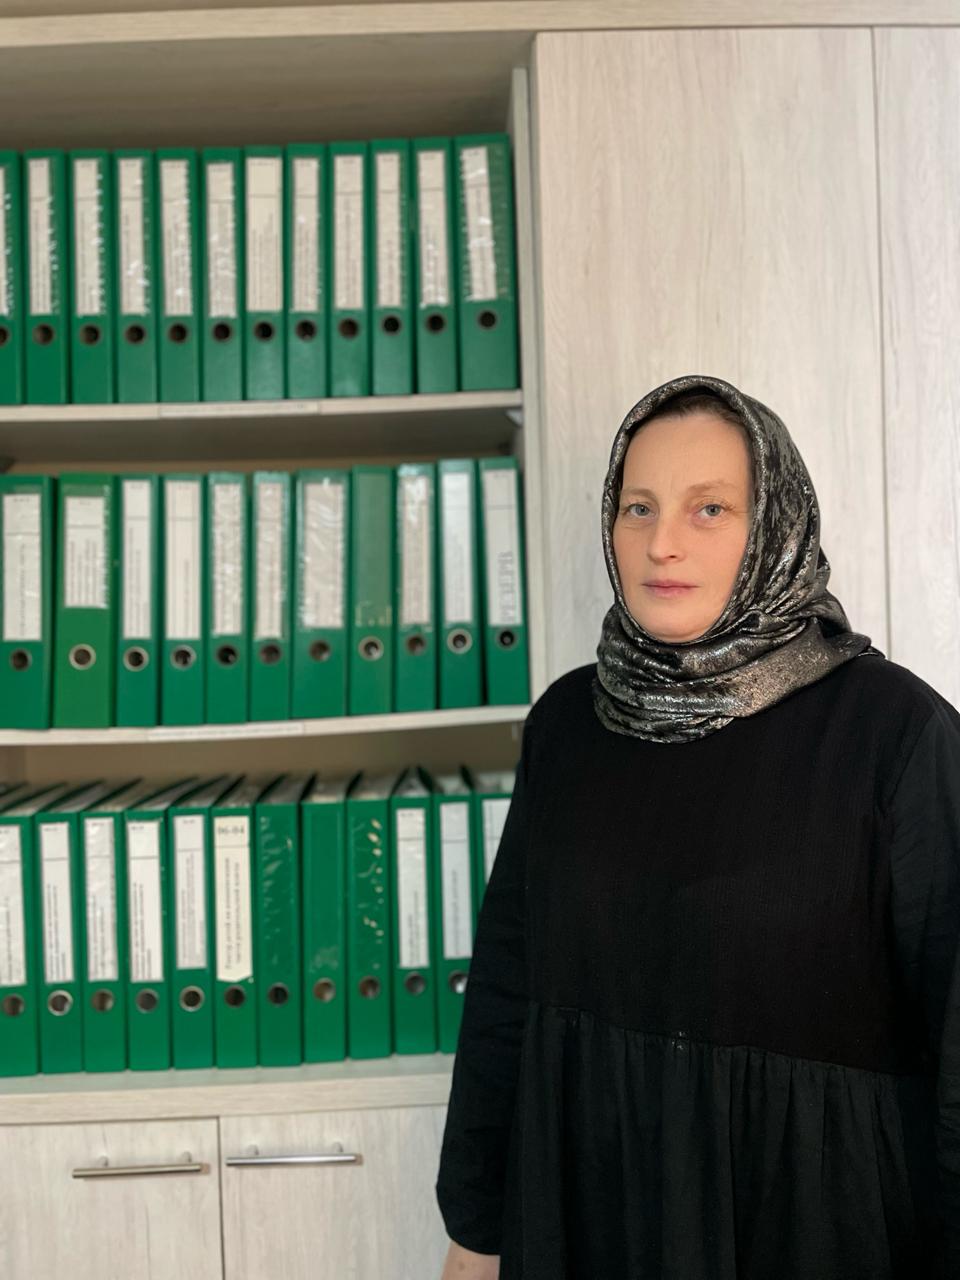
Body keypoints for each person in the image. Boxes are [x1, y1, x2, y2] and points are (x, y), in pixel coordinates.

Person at [434, 373, 960, 1280]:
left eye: (709, 508)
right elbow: (505, 996)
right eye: (636, 507)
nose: (661, 543)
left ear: (776, 526)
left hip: (813, 1224)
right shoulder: (566, 724)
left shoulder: (895, 733)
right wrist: (474, 1233)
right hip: (592, 1211)